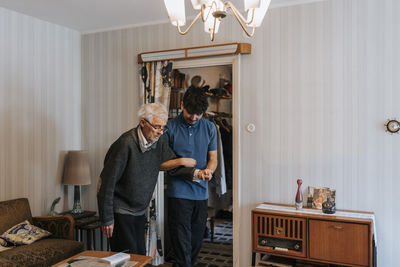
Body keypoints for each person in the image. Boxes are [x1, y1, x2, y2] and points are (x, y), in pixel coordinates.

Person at [97, 103, 196, 254]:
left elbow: (171, 163)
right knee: (128, 259)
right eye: (156, 127)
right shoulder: (125, 144)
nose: (160, 132)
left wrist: (196, 173)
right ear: (143, 122)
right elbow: (106, 183)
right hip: (121, 211)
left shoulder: (159, 141)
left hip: (139, 211)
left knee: (140, 257)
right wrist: (107, 219)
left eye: (163, 127)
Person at [165, 88, 218, 267]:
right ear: (182, 105)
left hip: (201, 195)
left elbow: (213, 159)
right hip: (178, 194)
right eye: (190, 113)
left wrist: (209, 171)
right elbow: (164, 163)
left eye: (199, 114)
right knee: (181, 243)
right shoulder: (169, 127)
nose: (194, 118)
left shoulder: (210, 127)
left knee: (196, 241)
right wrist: (184, 163)